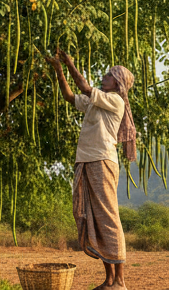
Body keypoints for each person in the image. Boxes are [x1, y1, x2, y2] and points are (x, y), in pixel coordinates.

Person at [44, 48, 136, 290]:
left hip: (102, 161)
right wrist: (59, 71)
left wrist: (70, 63)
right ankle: (109, 280)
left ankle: (120, 281)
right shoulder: (97, 102)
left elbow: (84, 87)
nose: (103, 77)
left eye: (108, 75)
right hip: (87, 161)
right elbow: (70, 96)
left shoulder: (115, 101)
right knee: (95, 218)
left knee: (108, 217)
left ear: (117, 83)